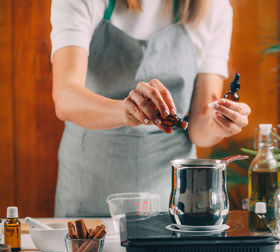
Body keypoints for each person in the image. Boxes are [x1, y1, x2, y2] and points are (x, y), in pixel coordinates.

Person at [51, 0, 251, 217]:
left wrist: (219, 125)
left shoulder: (213, 7)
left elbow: (199, 128)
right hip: (88, 188)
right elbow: (66, 98)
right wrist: (125, 111)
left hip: (169, 196)